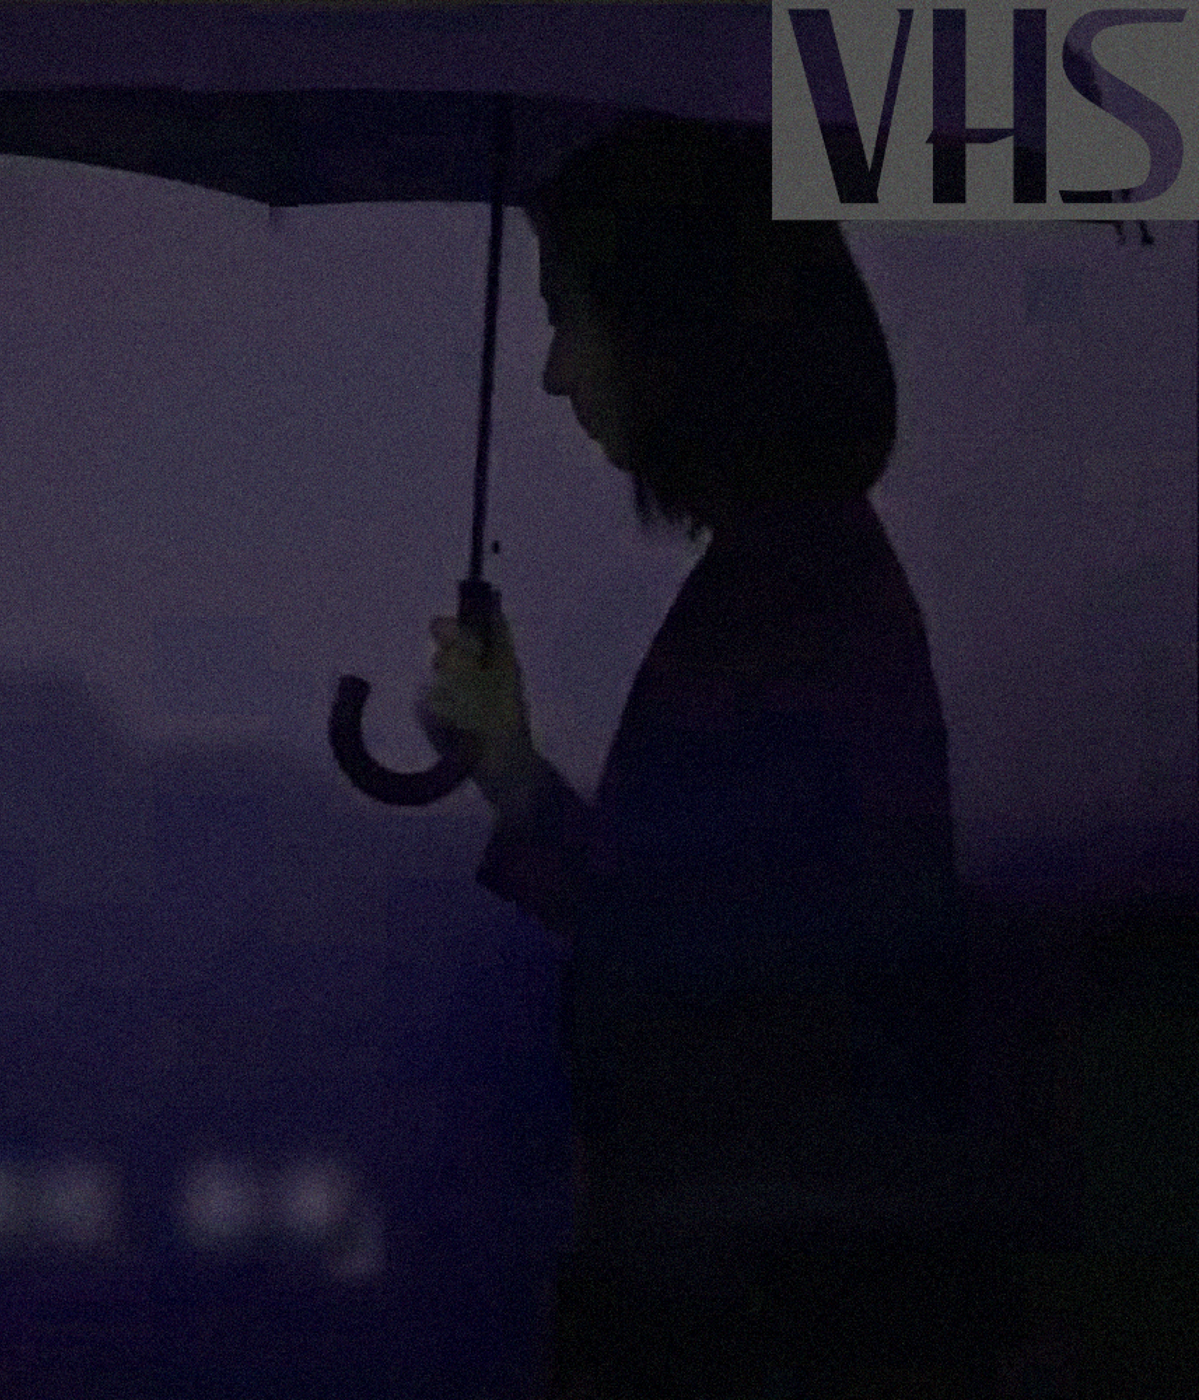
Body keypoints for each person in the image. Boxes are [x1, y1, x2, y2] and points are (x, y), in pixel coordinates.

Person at [415, 117, 1013, 1399]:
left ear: (672, 325)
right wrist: (512, 771)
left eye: (568, 315)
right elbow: (688, 914)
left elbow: (708, 984)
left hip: (751, 1320)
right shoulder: (793, 581)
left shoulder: (789, 611)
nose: (553, 373)